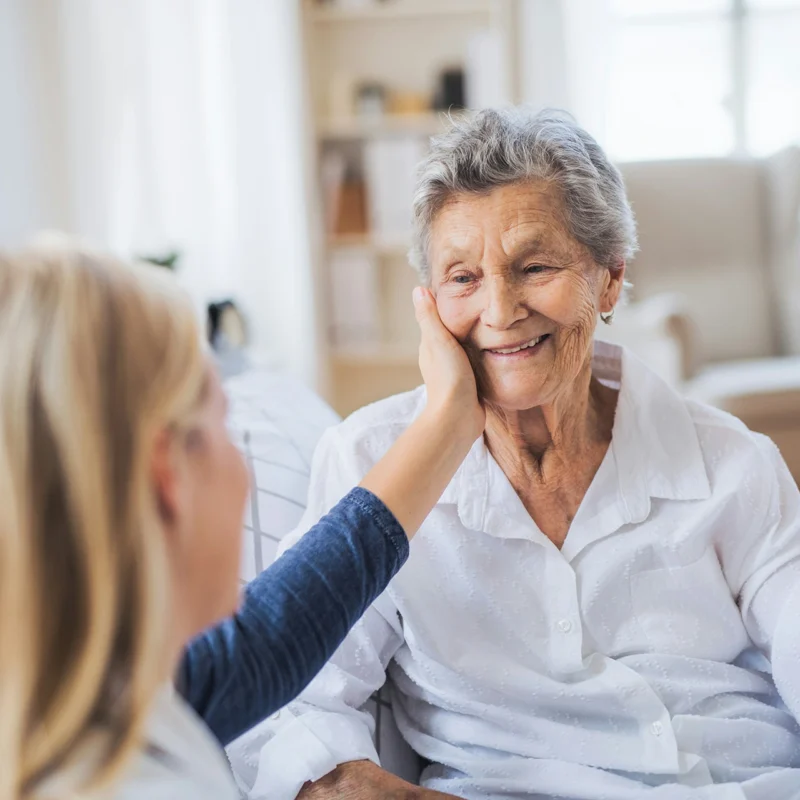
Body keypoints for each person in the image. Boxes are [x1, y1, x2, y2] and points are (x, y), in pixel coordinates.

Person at [229, 109, 800, 800]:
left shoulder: (733, 463)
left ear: (611, 278)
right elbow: (287, 698)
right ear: (428, 303)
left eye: (534, 267)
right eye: (463, 278)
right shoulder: (371, 462)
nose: (499, 311)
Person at [0, 245, 483, 799]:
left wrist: (448, 421)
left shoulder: (81, 702)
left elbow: (263, 644)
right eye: (225, 426)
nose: (245, 472)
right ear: (168, 476)